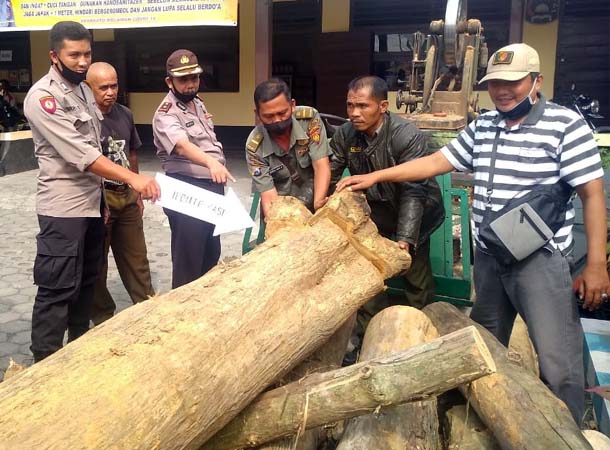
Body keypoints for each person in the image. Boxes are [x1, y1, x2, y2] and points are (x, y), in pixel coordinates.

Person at [337, 43, 609, 422]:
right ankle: (484, 419)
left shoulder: (565, 125)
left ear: (536, 81)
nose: (502, 90)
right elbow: (435, 162)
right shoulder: (484, 126)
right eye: (495, 83)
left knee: (557, 360)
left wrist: (596, 263)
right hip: (490, 259)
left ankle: (569, 430)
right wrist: (377, 175)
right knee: (486, 344)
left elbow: (592, 194)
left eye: (512, 82)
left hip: (539, 263)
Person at [22, 21, 159, 362]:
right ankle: (44, 365)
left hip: (93, 206)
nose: (82, 61)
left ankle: (78, 356)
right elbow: (82, 154)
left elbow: (97, 142)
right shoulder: (43, 98)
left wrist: (106, 201)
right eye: (74, 55)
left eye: (87, 53)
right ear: (55, 56)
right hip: (63, 211)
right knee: (57, 291)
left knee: (87, 285)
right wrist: (132, 178)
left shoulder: (83, 91)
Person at [330, 75, 444, 317]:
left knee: (415, 274)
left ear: (383, 107)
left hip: (416, 212)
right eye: (350, 105)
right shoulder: (346, 134)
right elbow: (331, 171)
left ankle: (420, 328)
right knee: (368, 274)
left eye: (363, 106)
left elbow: (414, 191)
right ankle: (370, 330)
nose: (354, 113)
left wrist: (405, 237)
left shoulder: (406, 135)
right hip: (375, 213)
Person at [152, 49, 232, 289]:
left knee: (210, 255)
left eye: (194, 78)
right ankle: (181, 318)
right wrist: (210, 162)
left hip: (211, 189)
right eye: (183, 79)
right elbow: (182, 147)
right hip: (187, 190)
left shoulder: (197, 103)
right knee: (189, 262)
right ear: (169, 81)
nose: (190, 84)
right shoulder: (165, 113)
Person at [85, 62, 155, 324]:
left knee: (137, 260)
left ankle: (148, 310)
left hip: (125, 198)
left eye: (114, 86)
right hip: (97, 201)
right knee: (96, 267)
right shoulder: (84, 120)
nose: (110, 92)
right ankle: (103, 319)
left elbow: (132, 152)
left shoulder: (124, 114)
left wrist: (137, 193)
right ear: (88, 88)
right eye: (103, 87)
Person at [245, 78, 330, 216]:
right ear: (258, 114)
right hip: (281, 209)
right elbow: (268, 195)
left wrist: (319, 204)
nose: (277, 120)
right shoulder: (255, 146)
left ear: (292, 105)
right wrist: (277, 224)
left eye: (282, 113)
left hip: (314, 196)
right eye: (269, 116)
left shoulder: (309, 119)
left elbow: (321, 164)